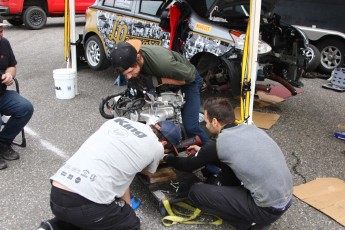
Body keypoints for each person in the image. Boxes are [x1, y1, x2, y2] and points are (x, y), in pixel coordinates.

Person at [164, 97, 293, 230]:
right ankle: (247, 209)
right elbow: (231, 155)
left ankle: (250, 224)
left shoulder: (220, 142)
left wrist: (166, 158)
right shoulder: (250, 129)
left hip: (266, 209)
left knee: (196, 192)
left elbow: (187, 165)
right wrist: (203, 152)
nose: (206, 125)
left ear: (215, 122)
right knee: (227, 164)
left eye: (207, 121)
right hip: (285, 199)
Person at [38, 117, 181, 230]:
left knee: (81, 216)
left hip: (57, 193)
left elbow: (126, 174)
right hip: (86, 205)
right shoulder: (157, 147)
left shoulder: (117, 121)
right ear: (164, 144)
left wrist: (127, 207)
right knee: (130, 224)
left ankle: (51, 226)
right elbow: (145, 171)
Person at [109, 39, 208, 145]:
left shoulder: (163, 64)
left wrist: (158, 81)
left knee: (190, 126)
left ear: (138, 58)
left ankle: (208, 152)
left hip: (188, 79)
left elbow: (189, 78)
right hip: (161, 74)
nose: (128, 77)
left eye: (130, 72)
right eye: (125, 74)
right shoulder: (130, 57)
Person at [0, 16, 34, 170]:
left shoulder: (4, 43)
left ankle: (3, 142)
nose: (0, 34)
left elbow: (12, 66)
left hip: (2, 94)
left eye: (1, 30)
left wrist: (9, 75)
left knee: (25, 108)